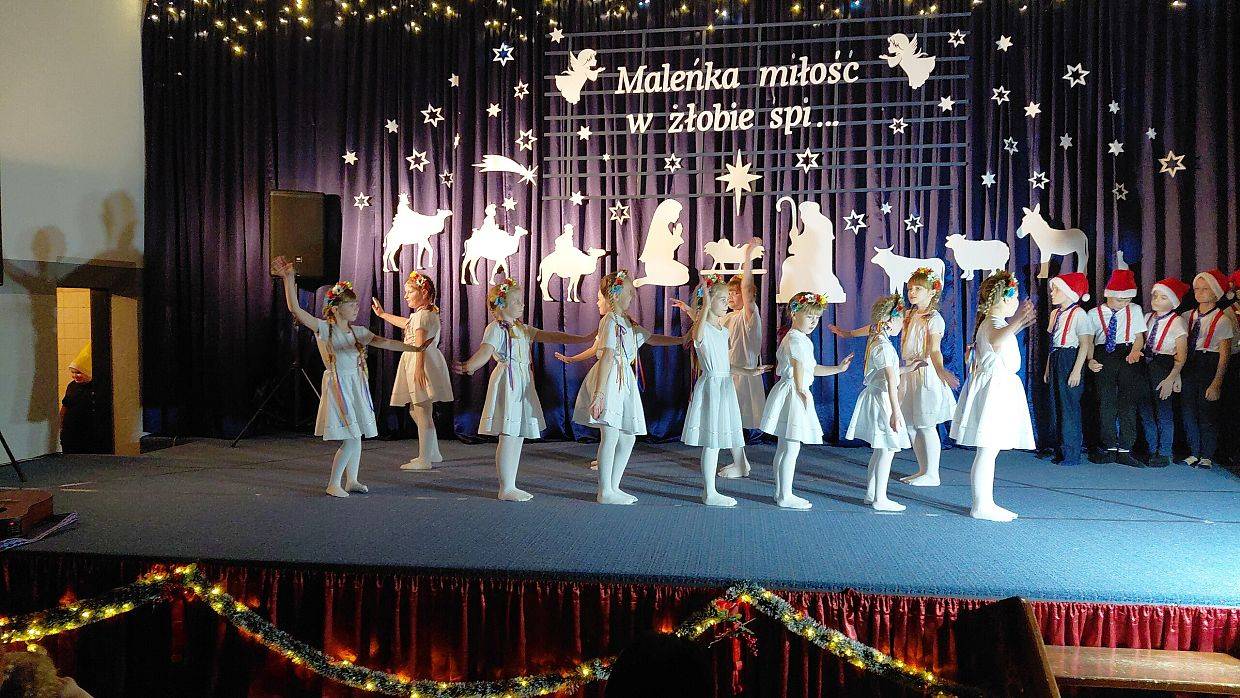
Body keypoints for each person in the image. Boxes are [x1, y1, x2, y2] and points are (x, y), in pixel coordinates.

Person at [271, 256, 429, 497]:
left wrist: (414, 348)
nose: (356, 308)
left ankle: (352, 480)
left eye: (356, 304)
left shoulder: (359, 331)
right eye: (351, 304)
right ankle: (333, 483)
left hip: (356, 385)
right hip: (339, 386)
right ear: (336, 309)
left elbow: (385, 342)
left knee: (357, 436)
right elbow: (296, 310)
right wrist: (288, 278)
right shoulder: (324, 328)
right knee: (352, 437)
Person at [452, 278, 593, 501]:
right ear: (501, 305)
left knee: (516, 434)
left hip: (522, 381)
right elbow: (486, 351)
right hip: (508, 382)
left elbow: (552, 335)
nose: (522, 305)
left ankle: (510, 484)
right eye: (516, 301)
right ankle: (506, 487)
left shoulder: (522, 328)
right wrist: (471, 365)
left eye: (521, 301)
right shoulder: (496, 328)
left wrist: (583, 338)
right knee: (509, 434)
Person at [556, 270, 685, 504]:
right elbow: (606, 355)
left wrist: (681, 340)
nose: (633, 297)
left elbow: (651, 338)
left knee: (627, 437)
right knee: (611, 435)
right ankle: (605, 490)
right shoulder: (609, 321)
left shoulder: (627, 322)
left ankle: (613, 487)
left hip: (623, 379)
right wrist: (599, 394)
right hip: (610, 380)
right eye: (629, 292)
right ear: (615, 295)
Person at [830, 267, 958, 485]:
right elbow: (877, 326)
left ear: (932, 292)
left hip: (925, 373)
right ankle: (922, 469)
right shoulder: (907, 315)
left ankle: (932, 473)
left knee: (926, 424)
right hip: (908, 373)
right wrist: (848, 333)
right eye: (910, 288)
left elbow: (935, 349)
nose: (912, 292)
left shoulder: (933, 319)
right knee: (910, 425)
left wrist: (940, 370)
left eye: (918, 289)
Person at [674, 240, 766, 479]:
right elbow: (706, 328)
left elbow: (747, 290)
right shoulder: (726, 320)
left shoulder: (748, 316)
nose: (732, 298)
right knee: (728, 421)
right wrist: (690, 310)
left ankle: (741, 463)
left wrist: (747, 258)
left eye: (735, 293)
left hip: (738, 375)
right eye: (728, 295)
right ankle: (741, 463)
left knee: (730, 421)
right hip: (728, 373)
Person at [950, 271, 1036, 522]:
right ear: (1004, 298)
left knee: (990, 451)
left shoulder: (994, 323)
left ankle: (985, 502)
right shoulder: (993, 324)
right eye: (1014, 297)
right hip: (995, 392)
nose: (1016, 302)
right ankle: (981, 505)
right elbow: (997, 340)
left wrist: (1019, 323)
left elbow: (1000, 340)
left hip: (998, 388)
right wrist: (1018, 321)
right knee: (987, 451)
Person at [680, 273, 771, 506]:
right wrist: (704, 306)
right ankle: (709, 492)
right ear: (709, 302)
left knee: (719, 440)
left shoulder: (722, 330)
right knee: (712, 442)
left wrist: (749, 371)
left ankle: (713, 488)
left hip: (725, 386)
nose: (727, 302)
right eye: (722, 299)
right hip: (712, 387)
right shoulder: (702, 330)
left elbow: (725, 365)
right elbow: (698, 335)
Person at [759, 292, 853, 509]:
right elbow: (798, 364)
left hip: (792, 390)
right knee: (790, 447)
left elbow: (811, 368)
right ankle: (785, 495)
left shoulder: (800, 339)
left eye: (817, 318)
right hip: (793, 392)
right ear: (794, 314)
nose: (813, 322)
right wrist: (801, 388)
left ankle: (781, 492)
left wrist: (838, 369)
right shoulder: (795, 339)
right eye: (809, 316)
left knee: (785, 446)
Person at [844, 294, 924, 512]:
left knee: (881, 449)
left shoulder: (877, 340)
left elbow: (887, 373)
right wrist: (896, 412)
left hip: (876, 396)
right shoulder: (884, 346)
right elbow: (889, 381)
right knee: (887, 449)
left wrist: (908, 368)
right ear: (889, 320)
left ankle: (872, 493)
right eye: (900, 319)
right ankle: (880, 498)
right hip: (882, 400)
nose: (902, 323)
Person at [372, 271, 453, 470]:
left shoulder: (422, 316)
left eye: (410, 292)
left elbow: (420, 345)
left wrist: (419, 369)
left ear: (423, 292)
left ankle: (424, 459)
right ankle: (433, 452)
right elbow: (406, 324)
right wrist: (383, 315)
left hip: (420, 360)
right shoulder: (424, 314)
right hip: (424, 360)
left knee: (422, 411)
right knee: (416, 410)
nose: (406, 296)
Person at [1086, 269, 1147, 467]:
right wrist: (1090, 360)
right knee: (1106, 402)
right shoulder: (1093, 313)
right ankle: (1110, 447)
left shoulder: (1134, 310)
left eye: (1128, 299)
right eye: (1121, 300)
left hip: (1127, 353)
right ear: (1109, 294)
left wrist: (1136, 351)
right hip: (1104, 354)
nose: (1124, 303)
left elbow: (1139, 337)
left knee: (1127, 402)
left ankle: (1126, 449)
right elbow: (1089, 341)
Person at [1179, 270, 1233, 468]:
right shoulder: (1186, 316)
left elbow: (1224, 355)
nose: (1199, 293)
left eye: (1205, 289)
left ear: (1216, 293)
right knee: (1188, 411)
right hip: (1189, 364)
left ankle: (1207, 455)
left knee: (1206, 412)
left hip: (1208, 364)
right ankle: (1193, 452)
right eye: (1197, 289)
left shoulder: (1222, 320)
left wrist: (1217, 382)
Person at [1040, 272, 1094, 466]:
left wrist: (1077, 370)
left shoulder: (1079, 314)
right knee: (1056, 405)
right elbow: (1051, 343)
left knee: (1069, 406)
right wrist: (1048, 368)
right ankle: (1059, 449)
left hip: (1070, 358)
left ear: (1069, 293)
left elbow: (1085, 344)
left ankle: (1072, 453)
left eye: (1057, 290)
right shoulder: (1055, 314)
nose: (1052, 293)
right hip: (1056, 357)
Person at [1135, 278, 1189, 467]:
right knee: (1146, 408)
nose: (1157, 300)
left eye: (1163, 297)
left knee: (1163, 410)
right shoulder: (1147, 317)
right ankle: (1151, 449)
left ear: (1174, 302)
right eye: (1155, 295)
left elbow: (1181, 355)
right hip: (1146, 364)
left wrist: (1172, 377)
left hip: (1164, 364)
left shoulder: (1178, 322)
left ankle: (1165, 452)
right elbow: (1140, 340)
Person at [59, 343, 105, 454]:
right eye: (73, 372)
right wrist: (60, 425)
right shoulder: (72, 386)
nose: (75, 376)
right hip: (71, 432)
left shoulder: (98, 387)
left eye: (79, 373)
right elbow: (65, 406)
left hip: (89, 433)